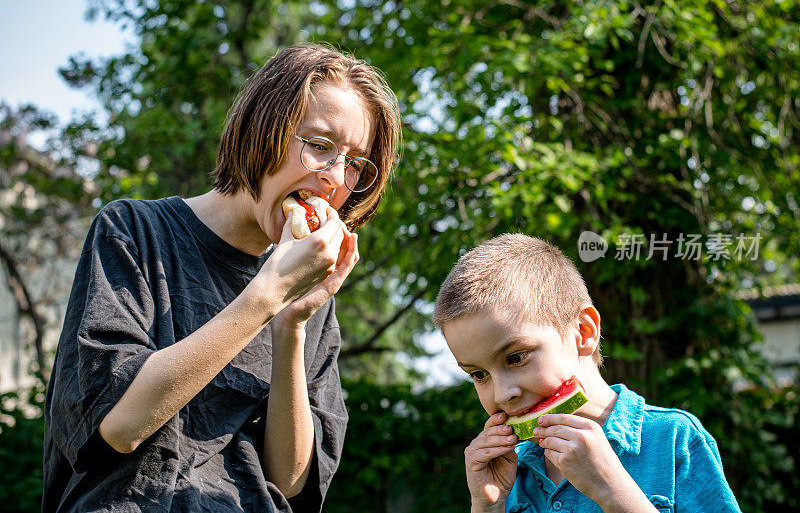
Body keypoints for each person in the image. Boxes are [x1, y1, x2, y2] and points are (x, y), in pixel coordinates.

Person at [43, 43, 400, 512]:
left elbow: (289, 482)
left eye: (355, 163)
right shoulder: (133, 231)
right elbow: (118, 425)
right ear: (263, 131)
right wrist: (267, 296)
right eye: (318, 145)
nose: (336, 177)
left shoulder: (312, 296)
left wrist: (291, 324)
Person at [432, 234, 741, 513]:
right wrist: (487, 506)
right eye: (479, 375)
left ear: (583, 331)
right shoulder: (511, 473)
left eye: (516, 358)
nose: (502, 394)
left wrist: (612, 490)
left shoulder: (674, 439)